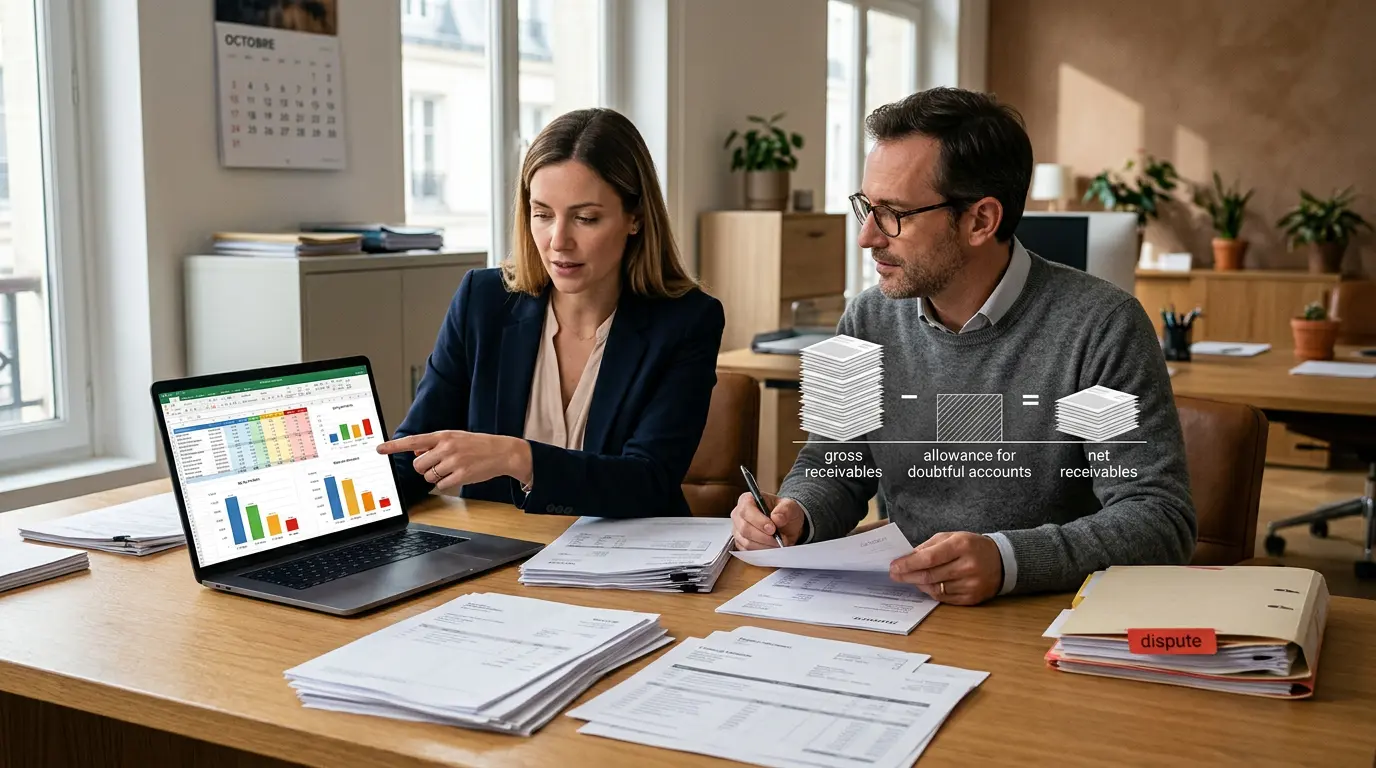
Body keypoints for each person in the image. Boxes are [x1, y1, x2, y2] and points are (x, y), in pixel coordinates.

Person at [730, 87, 1196, 605]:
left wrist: (1007, 561)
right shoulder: (867, 317)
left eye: (893, 214)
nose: (866, 237)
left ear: (980, 220)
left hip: (1048, 617)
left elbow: (1158, 522)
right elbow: (833, 466)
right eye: (866, 206)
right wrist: (798, 513)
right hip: (906, 608)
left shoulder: (1101, 326)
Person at [380, 108, 725, 519]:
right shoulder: (483, 300)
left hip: (626, 563)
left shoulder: (687, 321)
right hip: (498, 558)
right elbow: (414, 454)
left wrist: (519, 457)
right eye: (542, 214)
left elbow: (649, 481)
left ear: (635, 219)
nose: (558, 241)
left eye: (585, 218)